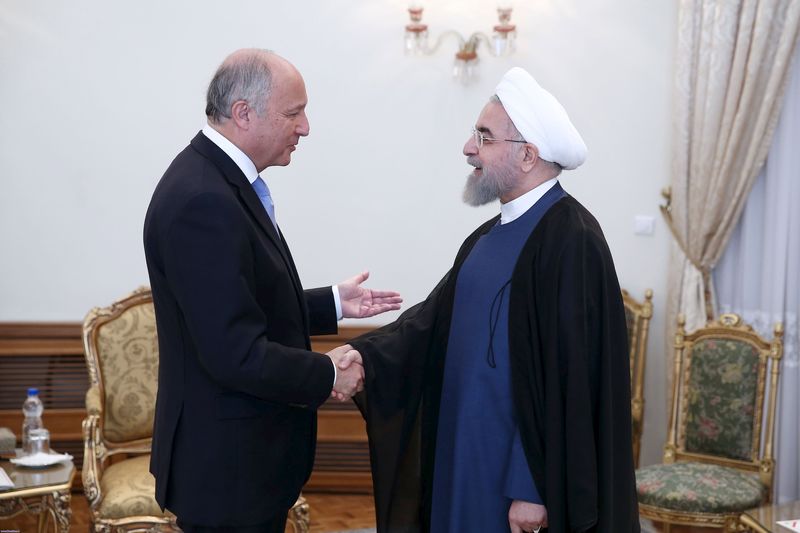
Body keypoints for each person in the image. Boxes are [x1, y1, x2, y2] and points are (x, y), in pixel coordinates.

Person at [338, 68, 639, 532]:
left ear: (528, 156)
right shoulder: (485, 237)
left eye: (484, 136)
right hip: (458, 454)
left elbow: (571, 375)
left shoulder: (572, 239)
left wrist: (531, 487)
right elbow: (429, 325)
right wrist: (363, 356)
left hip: (513, 481)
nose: (468, 147)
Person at [143, 48, 400, 532]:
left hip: (238, 464)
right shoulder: (204, 200)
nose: (305, 128)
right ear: (244, 113)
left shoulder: (215, 181)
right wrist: (328, 373)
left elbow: (240, 303)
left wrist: (332, 303)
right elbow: (234, 352)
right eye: (294, 113)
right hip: (228, 471)